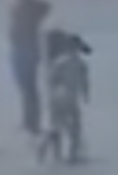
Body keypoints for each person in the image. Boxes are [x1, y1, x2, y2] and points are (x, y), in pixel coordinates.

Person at [6, 0, 52, 137]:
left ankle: (33, 123)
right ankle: (28, 120)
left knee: (28, 87)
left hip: (26, 48)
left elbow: (46, 6)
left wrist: (34, 21)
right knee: (25, 87)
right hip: (22, 47)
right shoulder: (17, 1)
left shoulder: (26, 0)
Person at [36, 30, 91, 166]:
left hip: (57, 97)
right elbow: (85, 83)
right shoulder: (81, 64)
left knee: (56, 127)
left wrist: (50, 96)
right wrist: (86, 96)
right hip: (69, 98)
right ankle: (72, 156)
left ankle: (46, 152)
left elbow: (51, 80)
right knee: (75, 129)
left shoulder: (59, 62)